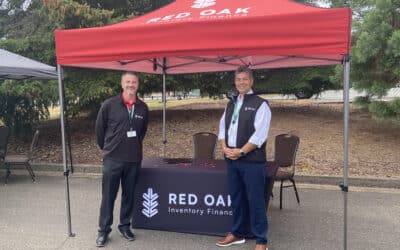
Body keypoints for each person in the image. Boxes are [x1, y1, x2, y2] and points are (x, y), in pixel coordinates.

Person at [216, 66, 271, 250]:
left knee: (256, 201)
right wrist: (224, 147)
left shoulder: (260, 104)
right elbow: (222, 128)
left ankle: (261, 240)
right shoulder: (231, 103)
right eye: (238, 79)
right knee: (236, 198)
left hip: (251, 161)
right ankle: (237, 233)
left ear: (252, 81)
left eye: (245, 79)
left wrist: (240, 152)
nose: (241, 82)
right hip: (232, 160)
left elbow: (259, 136)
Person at [95, 71, 149, 247]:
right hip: (112, 159)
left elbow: (142, 132)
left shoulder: (142, 107)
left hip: (133, 159)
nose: (131, 85)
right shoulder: (109, 105)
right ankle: (103, 230)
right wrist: (108, 148)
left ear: (138, 85)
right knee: (108, 196)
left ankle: (125, 226)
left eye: (134, 82)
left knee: (129, 196)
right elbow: (99, 130)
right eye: (128, 82)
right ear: (122, 84)